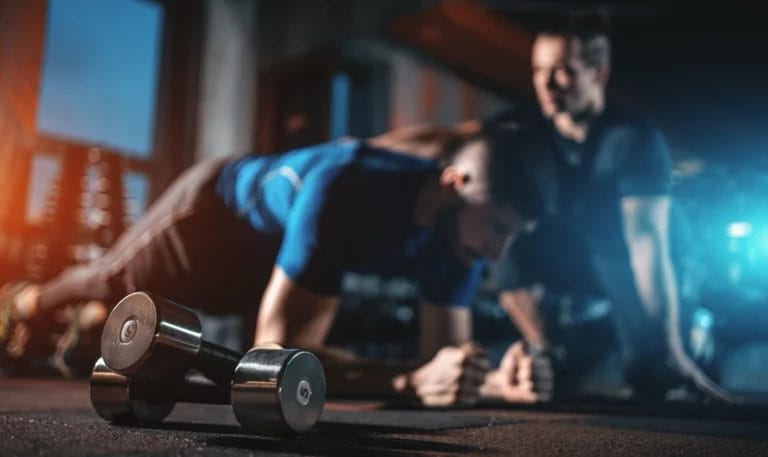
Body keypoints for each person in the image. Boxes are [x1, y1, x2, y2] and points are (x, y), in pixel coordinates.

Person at [0, 122, 545, 406]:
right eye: (497, 228)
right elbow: (275, 359)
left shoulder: (464, 241)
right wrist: (406, 382)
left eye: (513, 237)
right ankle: (23, 301)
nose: (498, 254)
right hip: (211, 217)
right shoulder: (346, 189)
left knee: (135, 324)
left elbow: (442, 363)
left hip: (269, 263)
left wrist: (495, 381)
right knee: (109, 280)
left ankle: (90, 325)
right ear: (455, 184)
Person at [495, 16, 738, 403]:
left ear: (599, 73)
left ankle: (695, 336)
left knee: (653, 378)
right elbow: (449, 141)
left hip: (645, 257)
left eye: (563, 72)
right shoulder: (526, 128)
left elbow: (646, 244)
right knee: (507, 246)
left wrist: (672, 347)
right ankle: (553, 354)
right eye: (539, 70)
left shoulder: (633, 138)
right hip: (583, 250)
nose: (546, 83)